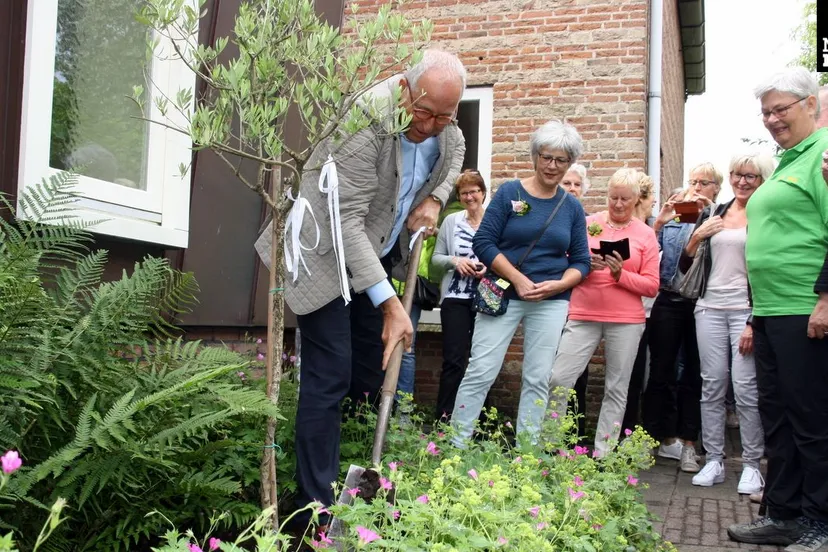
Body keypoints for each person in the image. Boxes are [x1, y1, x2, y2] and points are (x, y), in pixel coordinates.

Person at [280, 50, 467, 524]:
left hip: (374, 253)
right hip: (324, 254)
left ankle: (350, 470)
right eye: (423, 112)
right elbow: (345, 223)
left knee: (367, 373)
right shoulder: (363, 126)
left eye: (443, 116)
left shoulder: (446, 130)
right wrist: (390, 305)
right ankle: (313, 509)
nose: (430, 126)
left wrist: (435, 198)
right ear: (404, 90)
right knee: (329, 376)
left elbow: (457, 150)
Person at [727, 67, 828, 551]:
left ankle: (820, 523)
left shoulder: (822, 156)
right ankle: (784, 514)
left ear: (810, 104)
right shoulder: (790, 160)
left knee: (812, 420)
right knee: (779, 417)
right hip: (770, 311)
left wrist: (826, 298)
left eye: (780, 109)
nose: (771, 119)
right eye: (765, 112)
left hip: (805, 308)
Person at [450, 120, 590, 446]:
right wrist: (517, 278)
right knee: (481, 371)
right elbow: (484, 242)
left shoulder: (571, 206)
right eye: (546, 157)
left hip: (550, 302)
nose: (552, 166)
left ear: (570, 163)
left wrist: (558, 286)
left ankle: (527, 454)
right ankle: (454, 447)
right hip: (503, 294)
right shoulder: (509, 193)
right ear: (535, 155)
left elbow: (581, 262)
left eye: (561, 160)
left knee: (538, 378)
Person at [680, 153, 775, 495]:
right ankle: (714, 460)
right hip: (709, 308)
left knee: (746, 389)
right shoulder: (714, 212)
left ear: (762, 179)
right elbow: (685, 264)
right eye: (737, 174)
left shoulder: (766, 215)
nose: (742, 181)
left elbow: (770, 270)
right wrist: (697, 236)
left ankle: (751, 465)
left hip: (744, 311)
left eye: (751, 176)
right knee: (712, 384)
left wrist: (753, 320)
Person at [547, 168, 660, 456]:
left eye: (625, 199)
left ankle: (603, 453)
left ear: (636, 199)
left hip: (626, 320)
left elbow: (651, 286)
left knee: (616, 388)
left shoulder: (645, 234)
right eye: (613, 198)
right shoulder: (588, 224)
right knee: (559, 379)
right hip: (583, 313)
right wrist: (584, 265)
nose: (618, 205)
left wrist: (621, 274)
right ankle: (553, 445)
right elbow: (563, 263)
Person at [641, 164, 721, 474]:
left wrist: (708, 218)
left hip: (704, 303)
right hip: (669, 298)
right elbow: (647, 253)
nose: (697, 187)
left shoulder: (720, 217)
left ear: (716, 188)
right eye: (693, 181)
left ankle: (689, 444)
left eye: (704, 182)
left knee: (695, 374)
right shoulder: (677, 215)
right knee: (660, 371)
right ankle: (654, 438)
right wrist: (660, 223)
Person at [430, 169, 488, 420]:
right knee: (453, 359)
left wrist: (488, 268)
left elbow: (506, 259)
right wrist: (455, 261)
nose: (469, 197)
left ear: (483, 193)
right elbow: (436, 259)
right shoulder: (451, 222)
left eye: (474, 191)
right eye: (464, 193)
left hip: (486, 299)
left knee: (482, 361)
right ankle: (444, 416)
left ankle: (481, 420)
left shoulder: (494, 221)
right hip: (455, 299)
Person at [621, 173, 657, 432]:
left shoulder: (653, 227)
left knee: (641, 374)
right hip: (629, 311)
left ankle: (632, 430)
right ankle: (624, 430)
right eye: (651, 196)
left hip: (651, 310)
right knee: (628, 375)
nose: (654, 201)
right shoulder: (624, 230)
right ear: (641, 198)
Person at [560, 162, 592, 440]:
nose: (572, 188)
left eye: (577, 184)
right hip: (551, 300)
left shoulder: (591, 224)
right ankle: (547, 433)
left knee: (577, 373)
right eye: (567, 183)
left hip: (580, 306)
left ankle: (574, 436)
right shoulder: (549, 218)